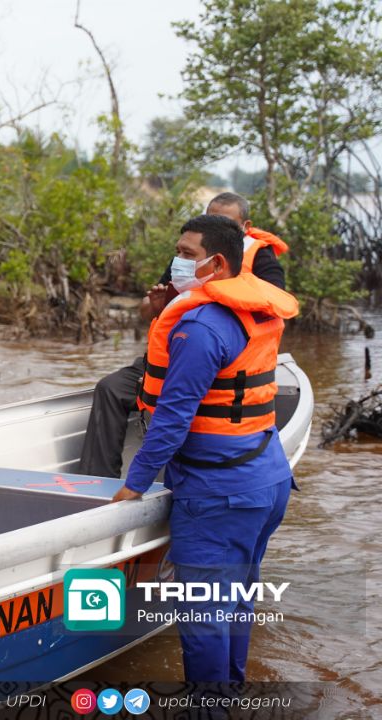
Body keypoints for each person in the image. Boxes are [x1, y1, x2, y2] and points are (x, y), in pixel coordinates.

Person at [110, 214, 298, 683]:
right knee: (235, 599)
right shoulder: (257, 311)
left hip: (219, 494)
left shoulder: (200, 326)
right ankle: (229, 694)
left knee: (203, 615)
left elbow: (173, 419)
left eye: (186, 254)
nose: (176, 262)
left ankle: (210, 708)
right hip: (268, 477)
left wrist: (134, 485)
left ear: (216, 264)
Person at [78, 192, 288, 479]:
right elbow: (147, 309)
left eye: (225, 221)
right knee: (110, 388)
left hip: (219, 362)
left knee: (181, 405)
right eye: (210, 217)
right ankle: (97, 479)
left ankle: (167, 471)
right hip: (173, 355)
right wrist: (158, 306)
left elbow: (271, 309)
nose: (215, 225)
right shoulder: (189, 258)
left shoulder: (258, 258)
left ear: (244, 226)